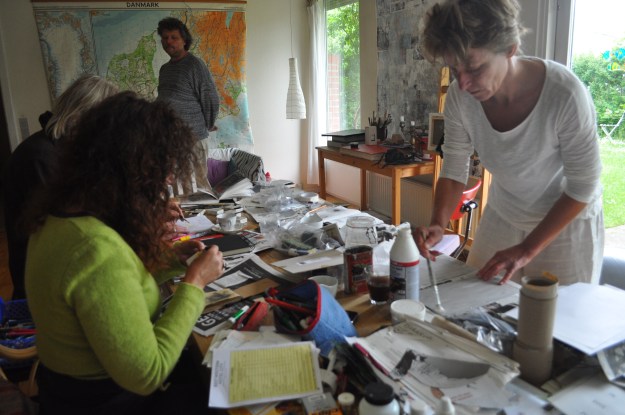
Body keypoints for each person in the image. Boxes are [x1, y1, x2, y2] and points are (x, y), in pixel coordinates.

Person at [24, 92, 224, 414]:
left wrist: (169, 261)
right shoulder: (94, 250)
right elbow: (148, 374)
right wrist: (194, 283)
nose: (168, 180)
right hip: (111, 402)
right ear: (129, 171)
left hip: (67, 393)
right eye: (160, 170)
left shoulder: (58, 220)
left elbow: (107, 294)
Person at [417, 0, 604, 285]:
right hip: (505, 213)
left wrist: (527, 249)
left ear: (510, 49)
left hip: (568, 223)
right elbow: (454, 170)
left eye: (474, 69)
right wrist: (438, 224)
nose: (463, 83)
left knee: (555, 311)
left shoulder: (564, 94)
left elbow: (583, 185)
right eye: (454, 69)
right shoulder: (459, 98)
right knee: (475, 299)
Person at [2, 74, 118, 299]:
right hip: (44, 286)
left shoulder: (64, 149)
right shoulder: (39, 157)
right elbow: (69, 227)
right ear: (83, 115)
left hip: (61, 272)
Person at [156, 17, 220, 189]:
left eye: (174, 37)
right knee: (177, 187)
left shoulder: (194, 65)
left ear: (184, 40)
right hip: (171, 138)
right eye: (165, 37)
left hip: (193, 139)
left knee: (198, 188)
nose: (168, 41)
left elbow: (211, 99)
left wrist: (208, 124)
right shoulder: (165, 69)